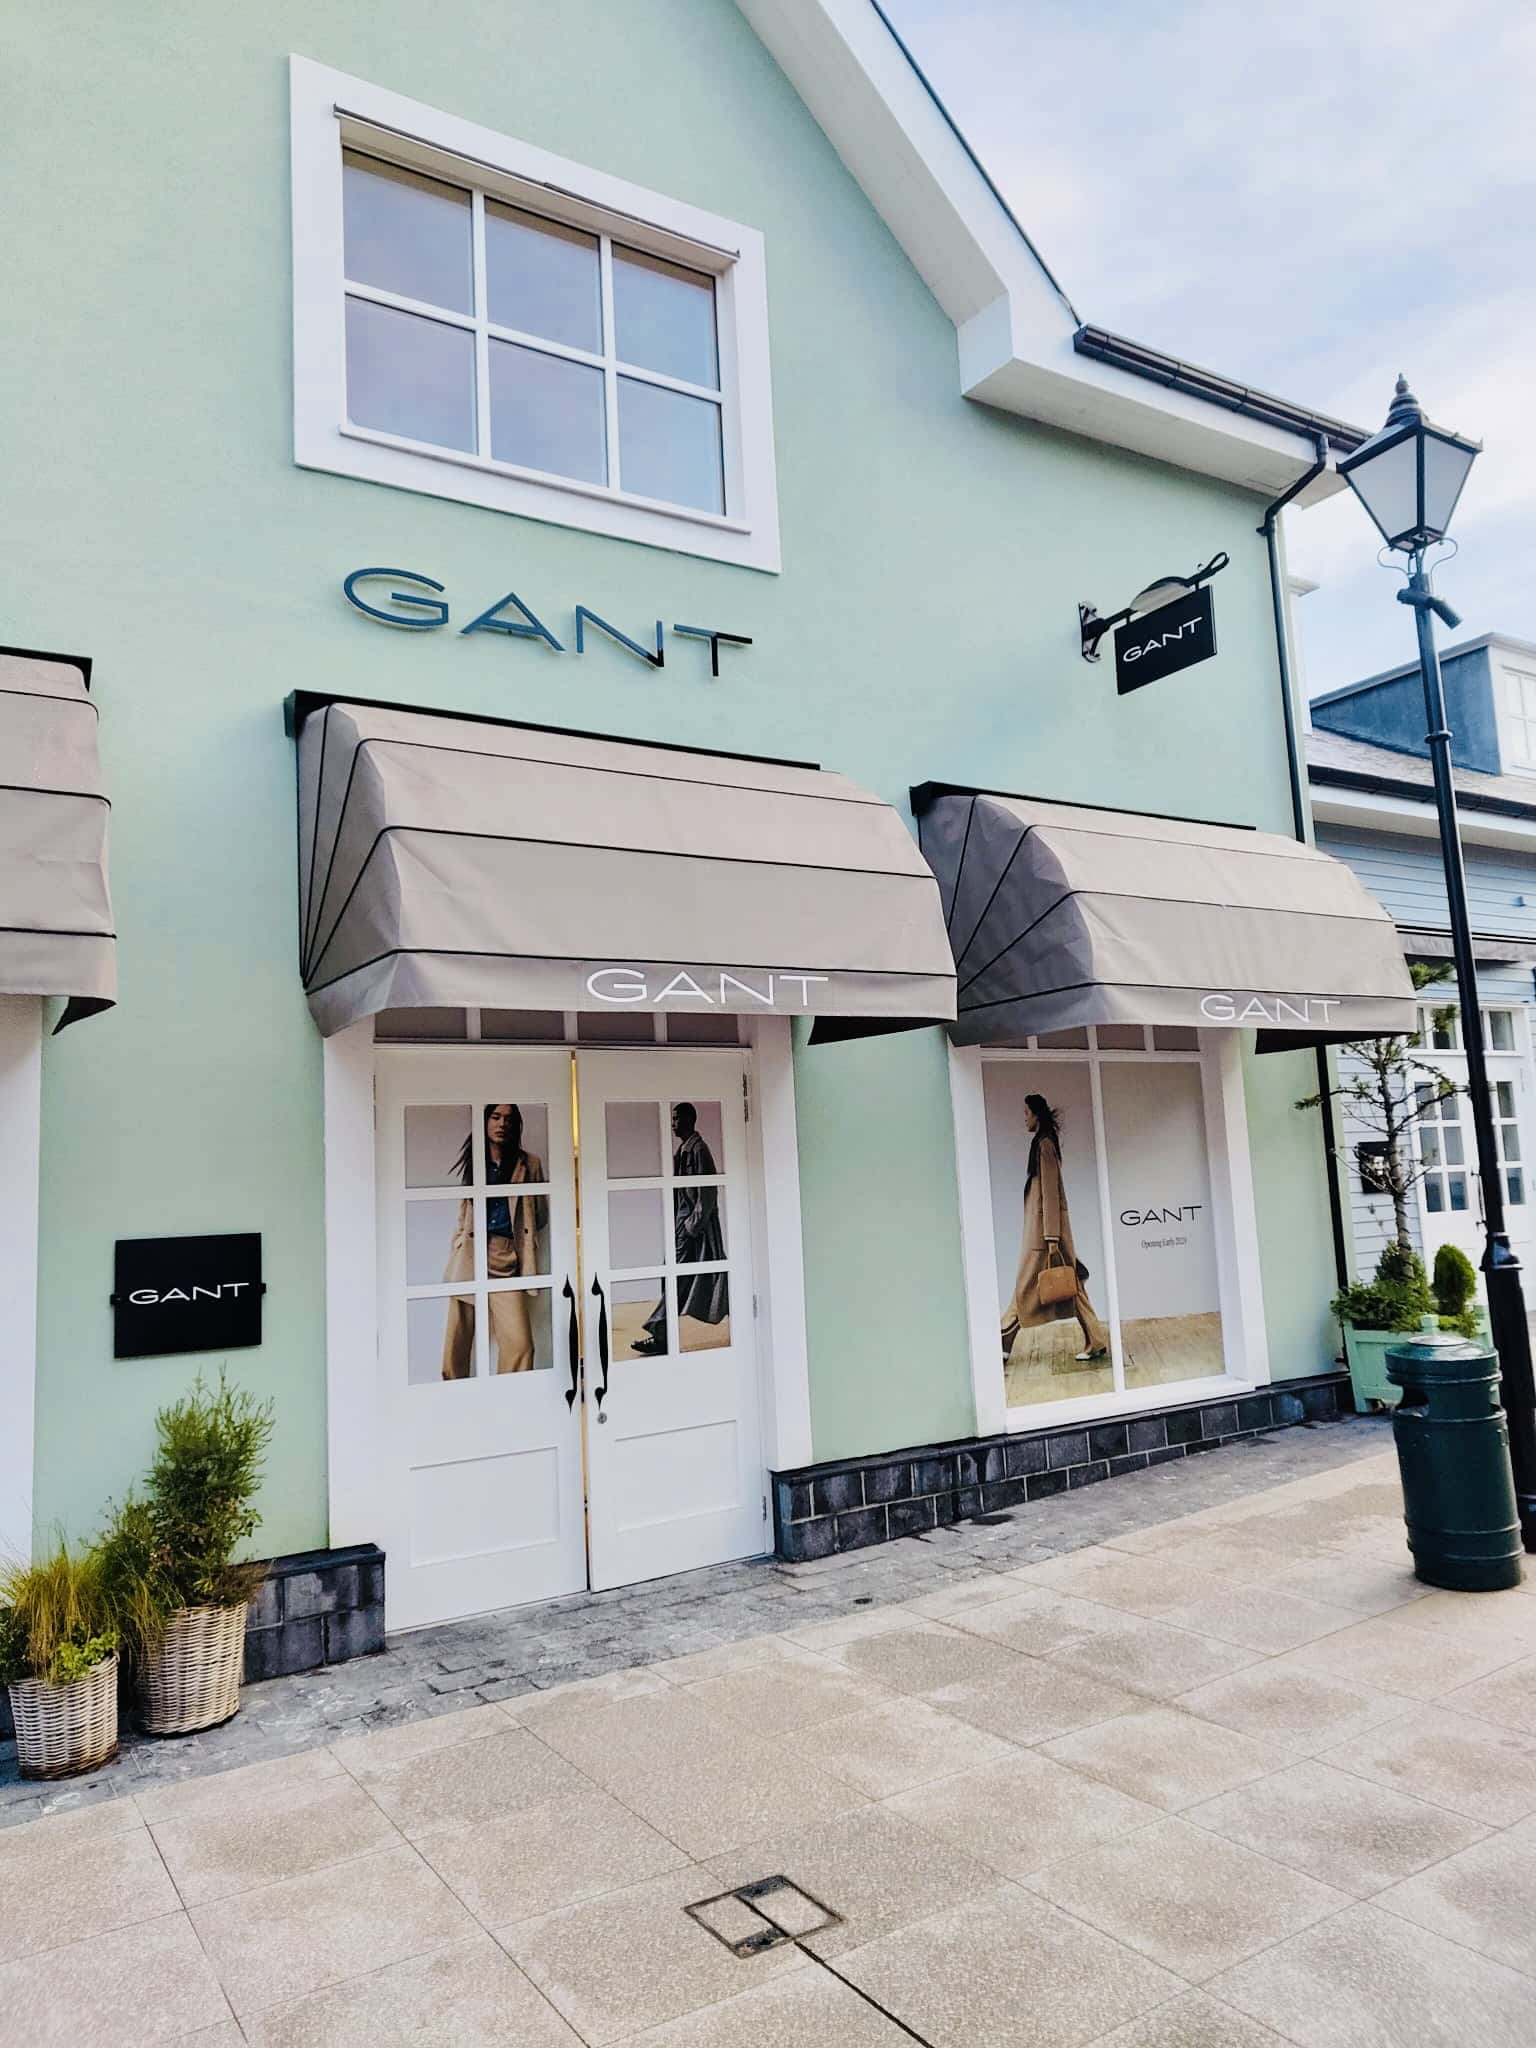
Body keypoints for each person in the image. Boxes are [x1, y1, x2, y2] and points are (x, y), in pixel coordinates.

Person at [1000, 1093, 1109, 1365]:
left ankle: (1004, 1337)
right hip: (1045, 1233)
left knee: (1028, 1286)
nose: (1024, 1118)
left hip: (1045, 1235)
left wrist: (1050, 1237)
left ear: (1037, 1114)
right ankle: (1095, 1340)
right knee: (1072, 1287)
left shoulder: (1045, 1144)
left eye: (1026, 1113)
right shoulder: (1042, 1143)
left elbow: (1050, 1192)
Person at [441, 1103, 548, 1377]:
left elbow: (539, 1214)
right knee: (456, 1342)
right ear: (485, 1121)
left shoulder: (529, 1163)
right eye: (496, 1117)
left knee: (521, 1345)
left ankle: (510, 1403)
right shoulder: (474, 1160)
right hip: (470, 1256)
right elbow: (464, 1211)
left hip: (508, 1259)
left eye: (509, 1119)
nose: (502, 1124)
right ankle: (452, 1401)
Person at [634, 1102, 728, 1355]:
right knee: (673, 1276)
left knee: (678, 1278)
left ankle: (659, 1332)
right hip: (682, 1224)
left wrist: (690, 1226)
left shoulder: (698, 1150)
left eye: (676, 1119)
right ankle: (663, 1334)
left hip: (691, 1228)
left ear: (688, 1120)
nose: (672, 1124)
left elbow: (707, 1192)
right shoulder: (684, 1150)